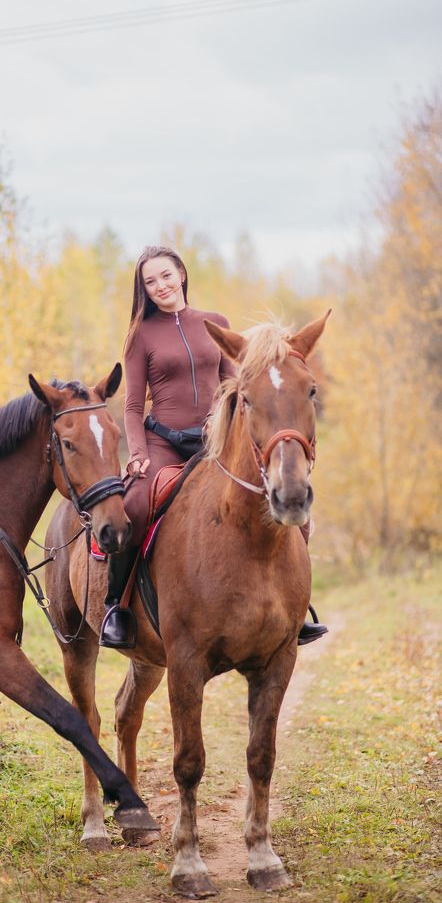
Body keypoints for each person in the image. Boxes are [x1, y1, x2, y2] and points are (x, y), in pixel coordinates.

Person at [99, 245, 328, 650]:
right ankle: (117, 606)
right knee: (133, 506)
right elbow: (133, 406)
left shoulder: (215, 324)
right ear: (144, 290)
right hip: (162, 444)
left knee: (289, 504)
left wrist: (229, 428)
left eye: (166, 276)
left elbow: (234, 387)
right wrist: (138, 454)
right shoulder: (141, 336)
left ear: (182, 275)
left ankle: (294, 605)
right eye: (150, 282)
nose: (160, 286)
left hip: (213, 441)